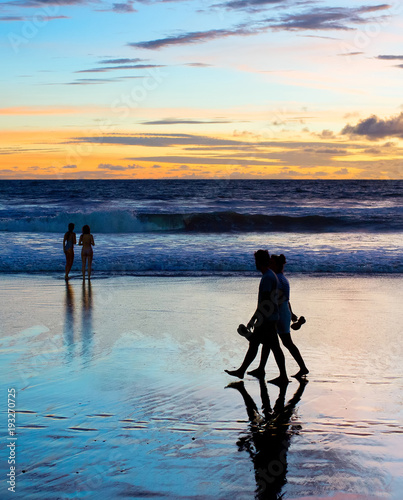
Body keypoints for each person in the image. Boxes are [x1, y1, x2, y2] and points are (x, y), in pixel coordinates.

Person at [225, 250, 288, 385]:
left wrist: (255, 319)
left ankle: (283, 376)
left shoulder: (267, 277)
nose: (255, 264)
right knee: (256, 345)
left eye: (256, 261)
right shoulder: (271, 275)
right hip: (270, 317)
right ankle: (242, 370)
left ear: (259, 262)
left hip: (267, 319)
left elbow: (265, 302)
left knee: (272, 347)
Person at [271, 254, 309, 379]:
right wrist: (291, 313)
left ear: (276, 265)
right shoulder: (282, 278)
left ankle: (302, 368)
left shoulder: (278, 280)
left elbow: (278, 300)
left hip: (280, 314)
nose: (270, 265)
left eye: (272, 263)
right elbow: (286, 300)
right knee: (277, 342)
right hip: (284, 312)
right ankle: (261, 369)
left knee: (286, 343)